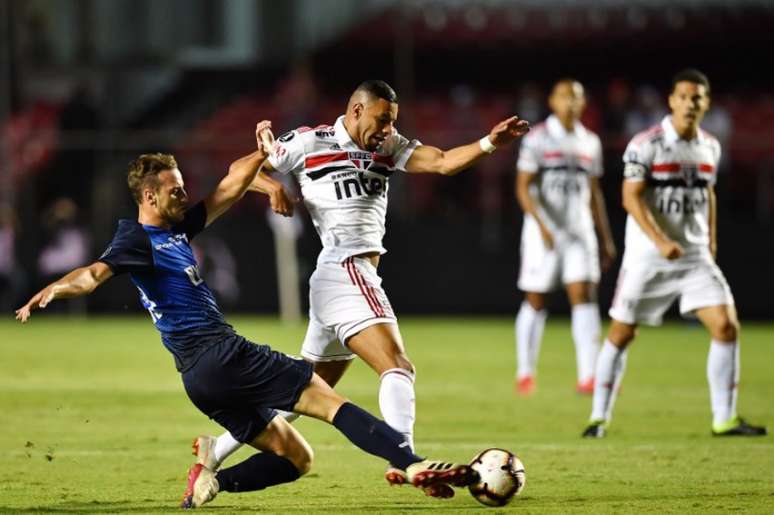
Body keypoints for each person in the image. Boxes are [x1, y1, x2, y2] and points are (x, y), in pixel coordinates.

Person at [15, 123, 479, 509]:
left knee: (297, 458)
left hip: (199, 380)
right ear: (150, 198)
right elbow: (93, 274)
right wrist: (56, 288)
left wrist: (262, 156)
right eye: (175, 190)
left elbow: (229, 186)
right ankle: (411, 461)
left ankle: (214, 480)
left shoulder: (179, 228)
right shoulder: (136, 241)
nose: (184, 194)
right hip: (224, 354)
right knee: (329, 401)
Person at [203, 80, 530, 488]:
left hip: (342, 279)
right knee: (397, 366)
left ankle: (213, 453)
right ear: (356, 111)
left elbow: (443, 161)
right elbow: (240, 171)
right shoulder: (309, 142)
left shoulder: (389, 146)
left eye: (392, 121)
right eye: (382, 120)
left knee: (303, 393)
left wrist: (489, 143)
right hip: (345, 268)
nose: (388, 129)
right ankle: (405, 458)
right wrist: (271, 186)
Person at [581, 70, 766, 438]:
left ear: (706, 103)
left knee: (726, 326)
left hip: (694, 255)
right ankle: (598, 417)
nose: (690, 103)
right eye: (684, 96)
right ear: (672, 100)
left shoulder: (710, 146)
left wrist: (710, 241)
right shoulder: (646, 143)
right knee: (622, 332)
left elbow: (708, 194)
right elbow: (630, 197)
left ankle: (724, 418)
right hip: (649, 257)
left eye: (697, 98)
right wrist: (660, 240)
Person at [514, 79, 616, 396]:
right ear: (552, 101)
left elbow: (594, 192)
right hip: (543, 233)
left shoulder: (590, 141)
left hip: (580, 232)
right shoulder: (539, 138)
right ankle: (525, 372)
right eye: (564, 96)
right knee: (536, 299)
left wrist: (605, 237)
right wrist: (542, 225)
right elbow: (522, 186)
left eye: (576, 97)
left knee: (584, 298)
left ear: (583, 103)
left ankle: (589, 377)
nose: (570, 102)